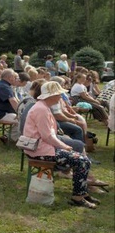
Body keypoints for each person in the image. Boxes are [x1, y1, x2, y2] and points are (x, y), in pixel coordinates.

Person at [23, 81, 96, 209]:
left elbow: (50, 134)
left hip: (44, 147)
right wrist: (63, 146)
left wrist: (62, 143)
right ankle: (78, 196)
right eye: (59, 94)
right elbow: (47, 136)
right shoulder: (41, 109)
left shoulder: (43, 107)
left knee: (82, 159)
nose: (61, 97)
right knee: (82, 161)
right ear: (50, 96)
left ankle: (82, 193)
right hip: (40, 150)